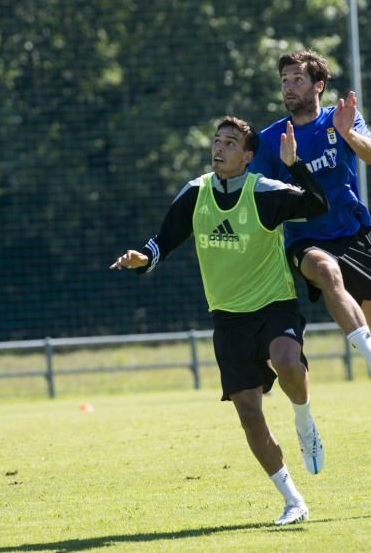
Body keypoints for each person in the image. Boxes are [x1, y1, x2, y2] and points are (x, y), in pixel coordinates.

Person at [110, 116, 328, 526]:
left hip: (273, 304)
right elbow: (163, 240)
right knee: (249, 413)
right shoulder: (196, 193)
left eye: (230, 143)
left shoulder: (264, 192)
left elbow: (318, 205)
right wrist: (143, 258)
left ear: (247, 157)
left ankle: (304, 421)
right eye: (217, 140)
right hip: (228, 318)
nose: (220, 148)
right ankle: (293, 501)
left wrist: (295, 165)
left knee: (286, 363)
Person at [249, 50, 371, 489]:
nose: (289, 87)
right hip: (306, 241)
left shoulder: (341, 118)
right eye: (284, 79)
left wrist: (348, 134)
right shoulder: (270, 139)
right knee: (325, 271)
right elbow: (257, 194)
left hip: (354, 237)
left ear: (318, 85)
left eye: (298, 79)